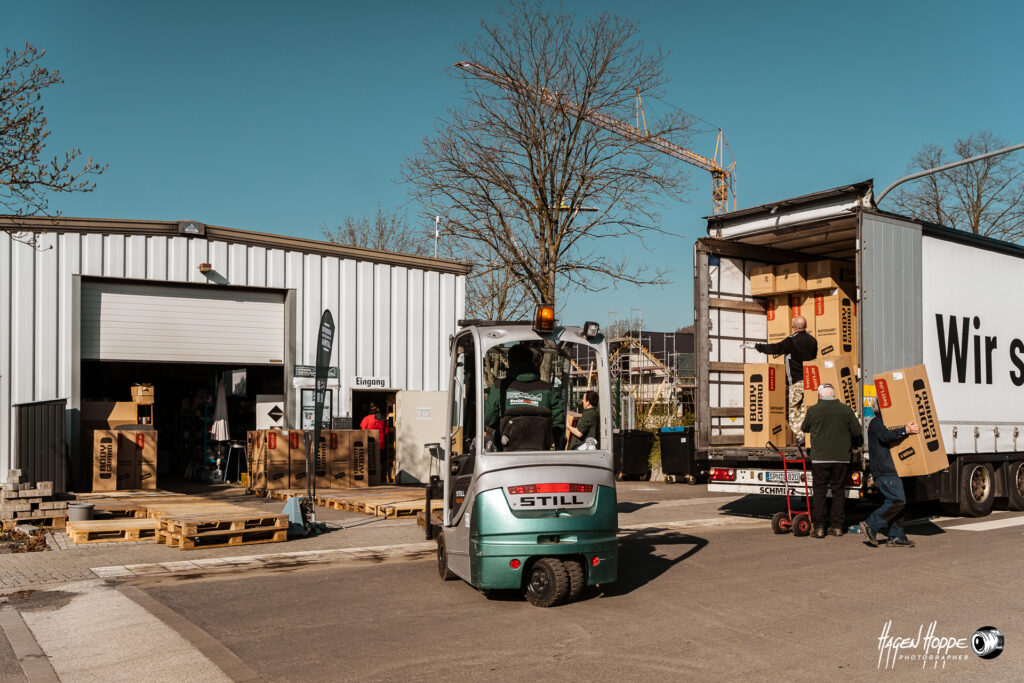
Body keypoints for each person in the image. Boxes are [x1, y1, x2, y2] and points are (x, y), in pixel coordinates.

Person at [800, 383, 862, 538]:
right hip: (841, 458)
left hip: (820, 458)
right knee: (838, 492)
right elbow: (857, 431)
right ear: (833, 395)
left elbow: (804, 428)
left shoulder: (813, 410)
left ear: (820, 396)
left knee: (819, 492)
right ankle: (837, 526)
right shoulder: (846, 410)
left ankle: (819, 527)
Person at [484, 343, 566, 450]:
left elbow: (489, 420)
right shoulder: (547, 389)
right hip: (541, 450)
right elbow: (558, 424)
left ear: (510, 363)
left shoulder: (500, 388)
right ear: (531, 362)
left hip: (505, 451)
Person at [859, 411, 921, 548]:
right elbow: (884, 436)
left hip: (893, 468)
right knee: (897, 500)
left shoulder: (888, 422)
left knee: (898, 503)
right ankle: (871, 524)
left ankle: (897, 536)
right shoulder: (877, 422)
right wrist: (905, 430)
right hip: (885, 469)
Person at [755, 315, 818, 436]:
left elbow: (775, 348)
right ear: (806, 326)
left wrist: (758, 347)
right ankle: (810, 435)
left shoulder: (792, 340)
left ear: (793, 327)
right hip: (810, 381)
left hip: (795, 383)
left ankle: (801, 435)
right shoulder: (813, 340)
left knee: (790, 409)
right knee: (804, 410)